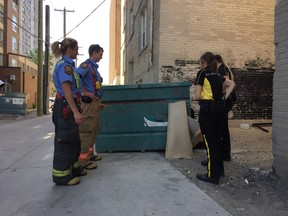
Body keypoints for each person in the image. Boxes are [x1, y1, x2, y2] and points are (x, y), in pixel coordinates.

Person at [195, 52, 235, 184]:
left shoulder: (202, 73)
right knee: (217, 141)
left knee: (210, 143)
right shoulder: (218, 75)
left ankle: (212, 175)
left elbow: (197, 96)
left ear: (204, 61)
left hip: (207, 111)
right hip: (219, 111)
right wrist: (223, 97)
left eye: (200, 61)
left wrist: (206, 97)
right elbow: (232, 84)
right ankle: (220, 171)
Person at [51, 37, 87, 186]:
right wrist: (76, 112)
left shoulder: (70, 66)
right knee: (64, 141)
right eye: (76, 49)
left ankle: (73, 168)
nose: (78, 52)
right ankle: (61, 176)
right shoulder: (65, 66)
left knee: (73, 139)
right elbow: (66, 89)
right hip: (66, 107)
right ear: (70, 49)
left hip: (69, 106)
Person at [76, 44, 106, 170]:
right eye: (100, 54)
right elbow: (76, 77)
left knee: (93, 129)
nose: (101, 57)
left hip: (94, 103)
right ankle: (82, 161)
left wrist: (98, 104)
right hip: (88, 104)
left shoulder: (94, 69)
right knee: (86, 130)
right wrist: (85, 92)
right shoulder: (86, 66)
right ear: (94, 53)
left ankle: (89, 154)